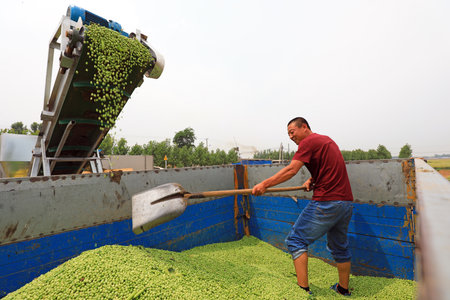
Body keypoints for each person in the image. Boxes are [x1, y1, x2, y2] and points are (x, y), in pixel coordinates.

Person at [252, 117, 353, 296]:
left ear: (304, 127)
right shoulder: (327, 141)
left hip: (326, 201)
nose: (291, 136)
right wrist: (312, 179)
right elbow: (329, 167)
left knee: (295, 240)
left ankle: (302, 292)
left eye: (292, 131)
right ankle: (343, 289)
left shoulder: (308, 142)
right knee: (340, 247)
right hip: (345, 203)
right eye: (288, 134)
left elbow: (292, 170)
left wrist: (265, 184)